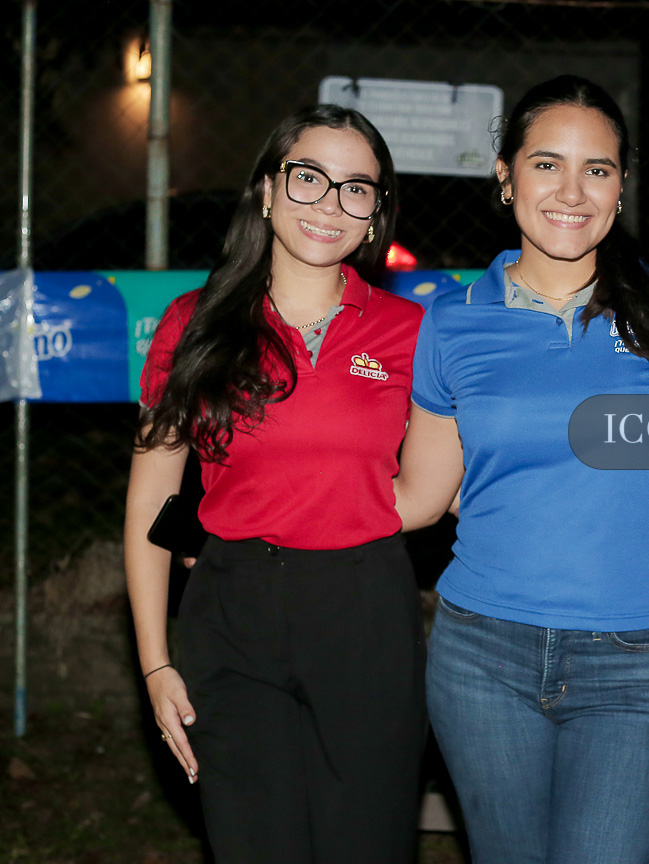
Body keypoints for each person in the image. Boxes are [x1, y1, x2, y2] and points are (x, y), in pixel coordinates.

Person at [392, 75, 649, 864]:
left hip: (640, 655)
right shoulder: (454, 322)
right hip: (483, 654)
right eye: (547, 164)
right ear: (505, 177)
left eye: (596, 169)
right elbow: (419, 498)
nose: (572, 191)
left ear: (620, 187)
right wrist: (250, 511)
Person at [124, 104, 427, 864]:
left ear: (376, 213)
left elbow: (444, 483)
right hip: (232, 611)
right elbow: (152, 501)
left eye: (356, 188)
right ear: (267, 189)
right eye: (308, 178)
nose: (330, 203)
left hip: (365, 611)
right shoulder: (193, 323)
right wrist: (155, 663)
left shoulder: (410, 331)